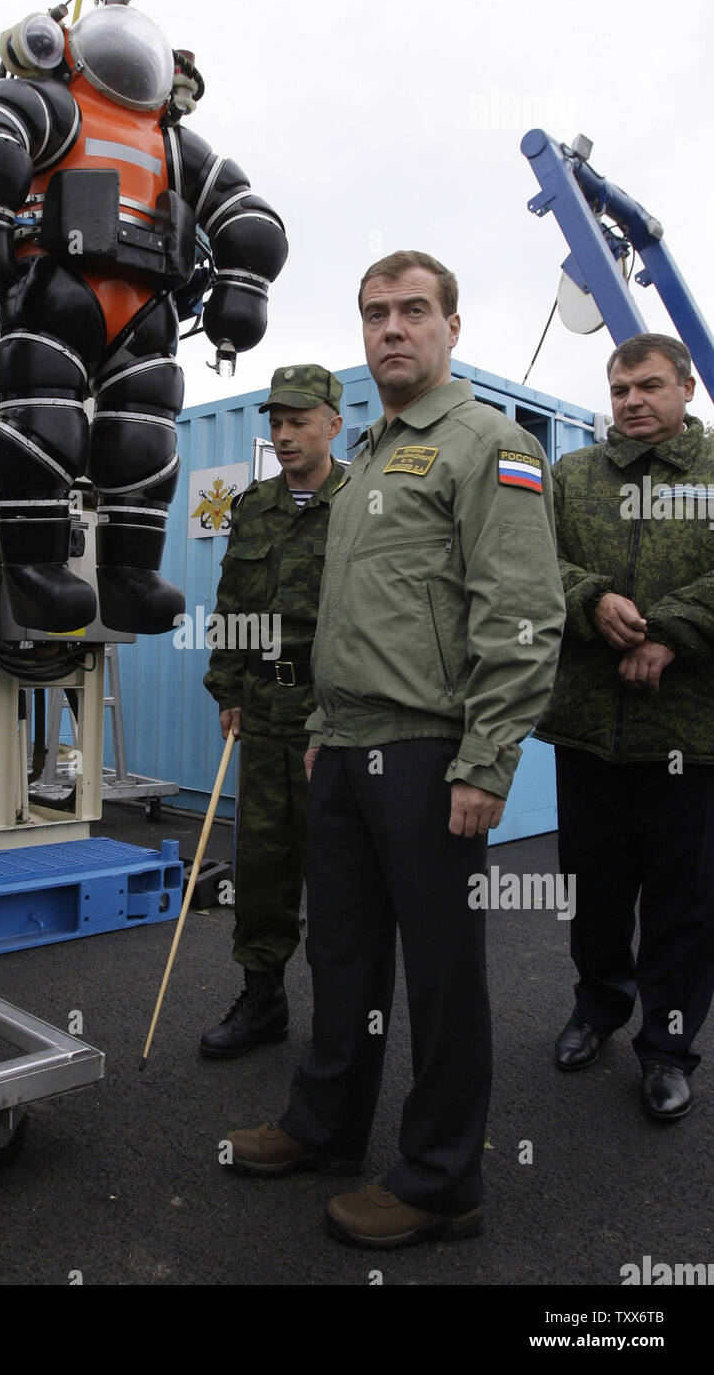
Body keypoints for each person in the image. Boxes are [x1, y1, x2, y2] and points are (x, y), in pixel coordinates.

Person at [224, 250, 565, 1249]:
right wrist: (324, 735)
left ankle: (441, 1180)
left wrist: (487, 759)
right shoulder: (367, 454)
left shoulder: (487, 445)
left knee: (443, 973)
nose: (392, 329)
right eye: (376, 313)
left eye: (414, 310)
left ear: (452, 325)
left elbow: (524, 613)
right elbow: (347, 619)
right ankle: (324, 1125)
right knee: (341, 952)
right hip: (345, 747)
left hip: (428, 750)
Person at [536, 333, 714, 1121]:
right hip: (587, 730)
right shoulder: (572, 476)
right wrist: (592, 598)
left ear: (684, 390)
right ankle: (596, 1008)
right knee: (595, 892)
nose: (631, 401)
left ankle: (667, 1049)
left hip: (689, 734)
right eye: (618, 390)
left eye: (647, 386)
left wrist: (671, 629)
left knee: (682, 904)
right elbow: (536, 561)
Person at [200, 365, 345, 1057]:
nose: (284, 435)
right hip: (260, 710)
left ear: (332, 425)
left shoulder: (363, 501)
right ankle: (263, 1002)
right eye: (276, 422)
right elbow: (232, 605)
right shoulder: (253, 506)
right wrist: (227, 687)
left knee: (338, 867)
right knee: (260, 863)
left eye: (299, 421)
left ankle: (341, 1018)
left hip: (332, 716)